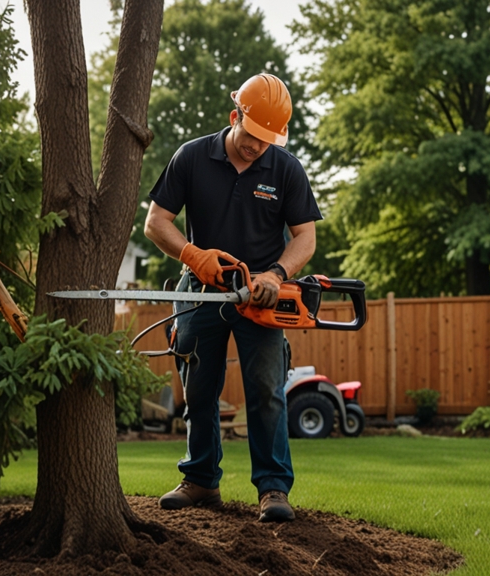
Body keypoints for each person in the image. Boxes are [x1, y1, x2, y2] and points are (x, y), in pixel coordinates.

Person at [144, 73, 321, 522]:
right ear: (234, 116)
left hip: (260, 297)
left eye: (267, 140)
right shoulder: (192, 157)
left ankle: (274, 489)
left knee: (266, 389)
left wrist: (277, 275)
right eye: (252, 135)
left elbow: (305, 237)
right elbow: (156, 222)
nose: (257, 147)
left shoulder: (285, 169)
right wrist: (191, 254)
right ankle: (201, 480)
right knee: (199, 390)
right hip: (200, 292)